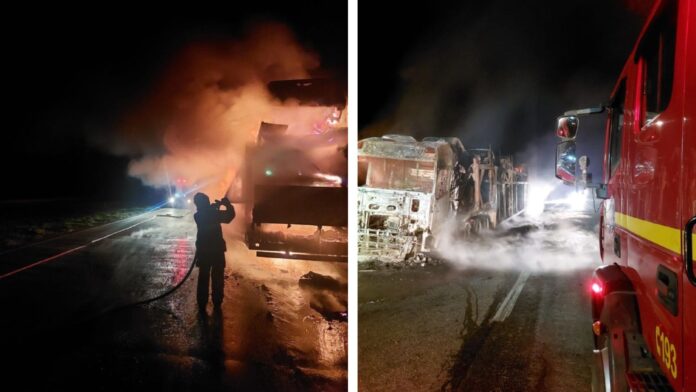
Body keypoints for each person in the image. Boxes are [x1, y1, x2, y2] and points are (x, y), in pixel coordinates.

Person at [193, 192, 235, 311]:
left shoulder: (198, 215)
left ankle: (202, 302)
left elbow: (206, 214)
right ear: (206, 202)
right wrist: (227, 205)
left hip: (204, 251)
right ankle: (217, 301)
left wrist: (214, 208)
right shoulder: (212, 214)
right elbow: (229, 216)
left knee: (203, 277)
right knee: (217, 277)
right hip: (216, 251)